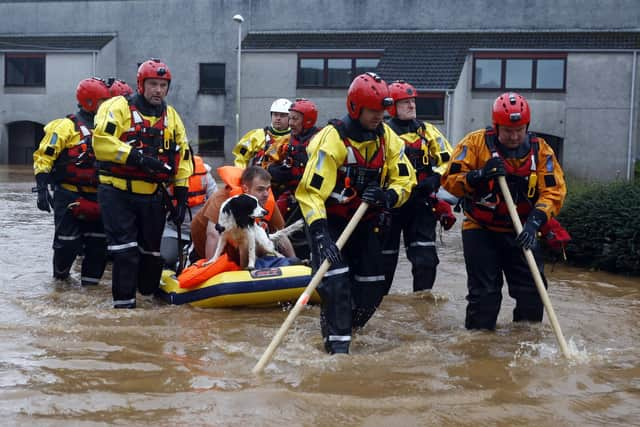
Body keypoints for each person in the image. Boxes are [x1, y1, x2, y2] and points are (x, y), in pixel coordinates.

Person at [295, 72, 416, 354]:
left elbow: (405, 180)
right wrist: (321, 237)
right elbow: (310, 194)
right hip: (330, 223)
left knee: (373, 287)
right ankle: (337, 353)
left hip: (365, 223)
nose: (379, 117)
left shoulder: (388, 139)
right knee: (336, 285)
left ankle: (347, 329)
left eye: (382, 111)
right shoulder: (331, 139)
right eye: (373, 111)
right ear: (355, 108)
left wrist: (387, 196)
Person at [441, 92, 567, 330]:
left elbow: (554, 192)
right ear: (497, 126)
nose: (514, 136)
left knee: (532, 292)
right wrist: (479, 175)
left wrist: (534, 223)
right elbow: (450, 180)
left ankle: (524, 343)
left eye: (519, 129)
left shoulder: (541, 151)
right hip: (481, 228)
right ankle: (479, 348)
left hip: (522, 229)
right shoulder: (475, 144)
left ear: (527, 126)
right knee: (485, 294)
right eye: (508, 130)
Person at [92, 58, 194, 309]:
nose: (158, 90)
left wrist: (181, 197)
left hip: (152, 196)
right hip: (117, 191)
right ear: (141, 84)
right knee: (125, 251)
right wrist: (137, 157)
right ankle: (124, 310)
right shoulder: (117, 107)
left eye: (163, 85)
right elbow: (101, 142)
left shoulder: (172, 117)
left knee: (151, 254)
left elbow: (183, 156)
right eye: (152, 84)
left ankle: (147, 299)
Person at [33, 77, 111, 285]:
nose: (108, 106)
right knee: (67, 244)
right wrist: (42, 190)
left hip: (100, 196)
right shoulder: (65, 126)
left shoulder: (109, 129)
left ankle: (90, 292)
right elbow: (44, 157)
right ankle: (60, 284)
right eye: (104, 102)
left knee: (98, 247)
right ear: (90, 102)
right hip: (69, 194)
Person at [382, 80, 455, 293]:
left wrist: (435, 178)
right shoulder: (383, 134)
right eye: (405, 102)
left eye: (413, 101)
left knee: (425, 261)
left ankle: (422, 303)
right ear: (392, 107)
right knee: (384, 262)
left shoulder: (427, 131)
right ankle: (379, 304)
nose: (412, 106)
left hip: (421, 203)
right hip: (392, 205)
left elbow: (449, 161)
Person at [190, 166, 296, 263]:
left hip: (241, 253)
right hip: (205, 251)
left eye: (268, 189)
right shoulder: (222, 200)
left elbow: (281, 235)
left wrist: (293, 260)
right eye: (260, 189)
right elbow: (213, 234)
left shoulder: (267, 201)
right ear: (246, 189)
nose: (266, 194)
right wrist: (211, 268)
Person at [160, 154, 217, 270]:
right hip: (174, 230)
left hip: (201, 231)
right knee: (165, 258)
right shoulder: (164, 175)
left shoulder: (204, 174)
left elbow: (215, 203)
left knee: (205, 258)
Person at [232, 98, 291, 168]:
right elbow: (241, 157)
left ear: (290, 117)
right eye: (275, 114)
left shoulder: (295, 138)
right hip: (259, 177)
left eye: (282, 115)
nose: (278, 118)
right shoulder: (257, 135)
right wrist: (242, 175)